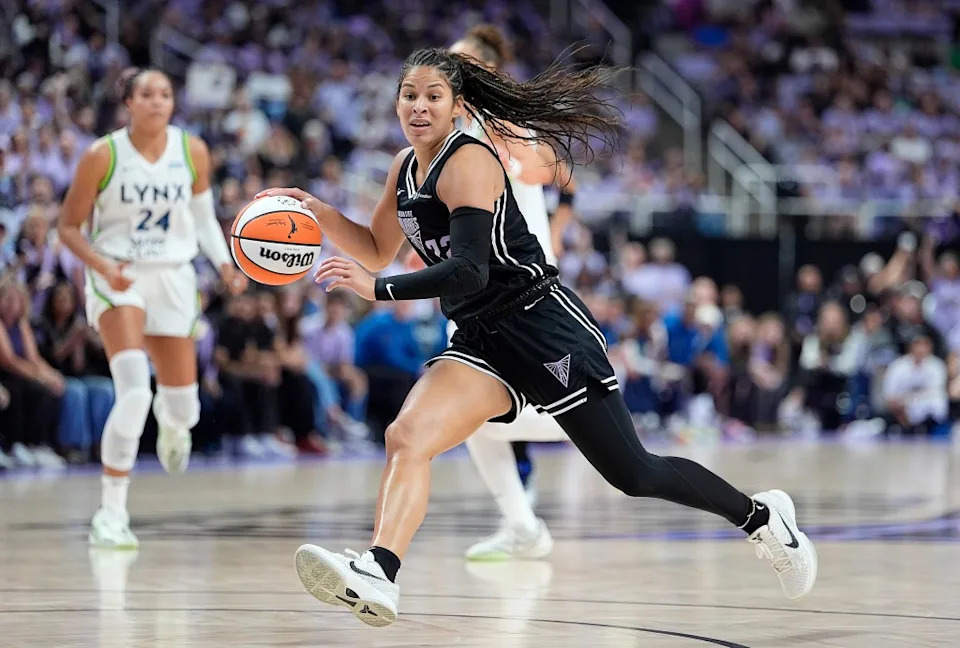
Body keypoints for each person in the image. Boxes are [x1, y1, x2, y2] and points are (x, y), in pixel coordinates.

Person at [259, 47, 817, 628]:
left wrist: (380, 290)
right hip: (482, 337)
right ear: (396, 102)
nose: (419, 107)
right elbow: (376, 248)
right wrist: (317, 213)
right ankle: (379, 571)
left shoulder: (469, 161)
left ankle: (762, 519)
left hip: (542, 327)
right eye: (409, 95)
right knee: (407, 436)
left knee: (634, 474)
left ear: (457, 106)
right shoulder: (404, 167)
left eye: (432, 96)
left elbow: (469, 269)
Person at [57, 68, 247, 549]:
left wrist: (225, 264)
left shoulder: (192, 150)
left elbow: (204, 220)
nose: (158, 102)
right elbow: (68, 228)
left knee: (184, 408)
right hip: (117, 274)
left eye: (165, 94)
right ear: (128, 102)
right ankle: (111, 513)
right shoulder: (103, 154)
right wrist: (102, 265)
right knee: (134, 393)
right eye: (147, 94)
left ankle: (173, 416)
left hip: (174, 275)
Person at [446, 24, 580, 560]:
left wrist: (562, 232)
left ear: (485, 73)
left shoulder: (507, 125)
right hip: (472, 294)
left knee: (572, 416)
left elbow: (555, 171)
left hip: (526, 290)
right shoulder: (445, 135)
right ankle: (520, 520)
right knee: (466, 411)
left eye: (456, 65)